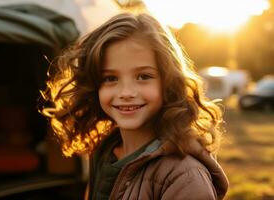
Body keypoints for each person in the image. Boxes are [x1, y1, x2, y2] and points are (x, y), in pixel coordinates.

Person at [40, 12, 229, 200]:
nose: (126, 92)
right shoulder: (104, 151)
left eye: (143, 76)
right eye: (110, 78)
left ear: (168, 82)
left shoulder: (185, 178)